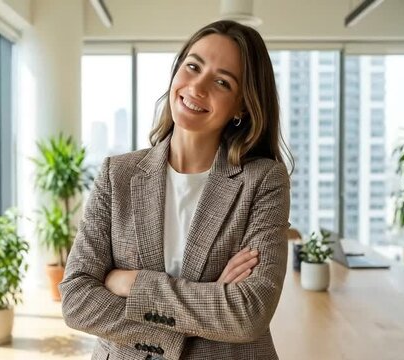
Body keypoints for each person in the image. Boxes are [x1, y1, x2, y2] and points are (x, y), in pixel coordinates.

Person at [60, 20, 292, 360]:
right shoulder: (117, 175)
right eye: (193, 66)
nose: (197, 87)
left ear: (242, 105)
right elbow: (77, 300)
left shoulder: (264, 181)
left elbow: (248, 313)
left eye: (222, 82)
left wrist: (132, 284)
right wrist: (209, 300)